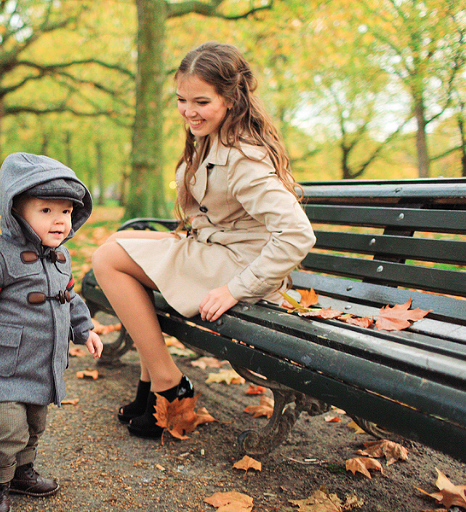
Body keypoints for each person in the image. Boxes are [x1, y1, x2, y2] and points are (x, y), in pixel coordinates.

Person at [92, 41, 316, 439]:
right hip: (216, 251)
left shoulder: (244, 155)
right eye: (181, 100)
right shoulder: (212, 134)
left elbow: (297, 234)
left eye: (200, 101)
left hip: (238, 265)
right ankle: (152, 387)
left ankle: (167, 385)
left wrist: (235, 289)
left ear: (230, 98)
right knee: (120, 243)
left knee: (109, 259)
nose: (188, 111)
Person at [0, 152, 104, 512]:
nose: (59, 221)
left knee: (34, 425)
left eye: (65, 211)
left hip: (42, 366)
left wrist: (85, 328)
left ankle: (22, 472)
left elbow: (69, 297)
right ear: (16, 210)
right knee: (6, 430)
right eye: (46, 211)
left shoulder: (60, 256)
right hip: (4, 364)